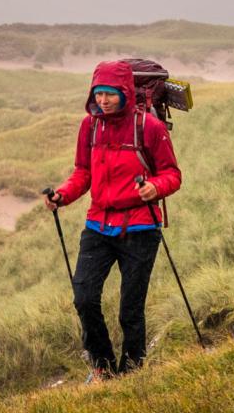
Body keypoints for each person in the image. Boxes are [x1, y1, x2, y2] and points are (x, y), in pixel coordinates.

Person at [44, 60, 182, 380]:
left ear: (125, 93)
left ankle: (132, 371)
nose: (103, 101)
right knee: (84, 297)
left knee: (130, 308)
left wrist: (154, 188)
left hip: (141, 227)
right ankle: (103, 367)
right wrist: (62, 196)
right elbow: (83, 173)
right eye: (98, 94)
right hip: (98, 225)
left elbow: (172, 175)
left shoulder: (150, 127)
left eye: (110, 94)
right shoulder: (89, 126)